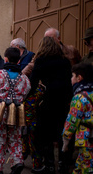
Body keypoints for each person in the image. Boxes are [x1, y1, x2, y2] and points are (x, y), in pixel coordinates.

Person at [29, 36, 73, 173]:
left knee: (44, 134)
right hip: (64, 101)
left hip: (47, 101)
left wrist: (29, 97)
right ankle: (62, 164)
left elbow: (33, 82)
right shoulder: (65, 61)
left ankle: (48, 164)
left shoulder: (41, 61)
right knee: (61, 133)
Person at [0, 47, 31, 174]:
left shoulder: (0, 74)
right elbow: (27, 91)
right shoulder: (23, 77)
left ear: (5, 59)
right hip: (17, 111)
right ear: (19, 61)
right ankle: (17, 161)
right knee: (16, 137)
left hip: (1, 111)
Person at [62, 63, 93, 174]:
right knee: (80, 166)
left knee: (86, 167)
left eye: (72, 76)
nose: (71, 79)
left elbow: (71, 121)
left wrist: (66, 140)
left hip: (85, 140)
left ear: (79, 78)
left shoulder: (79, 97)